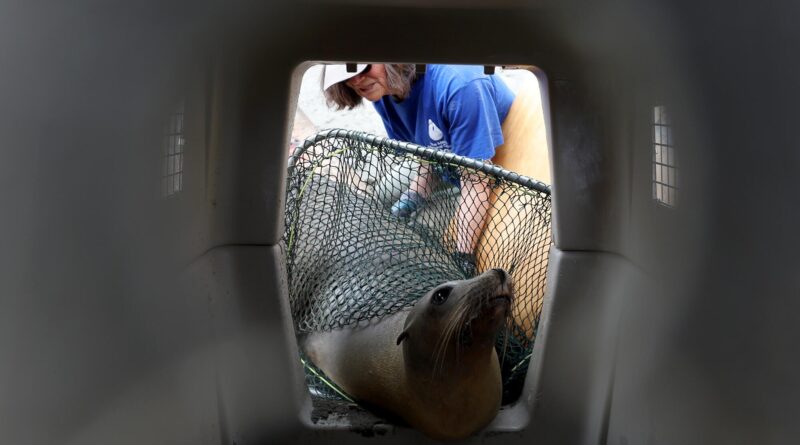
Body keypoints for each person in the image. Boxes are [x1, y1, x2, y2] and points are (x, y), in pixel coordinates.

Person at [322, 63, 517, 275]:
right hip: (450, 163)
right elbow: (426, 153)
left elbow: (476, 181)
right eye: (348, 74)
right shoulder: (384, 91)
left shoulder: (460, 86)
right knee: (385, 194)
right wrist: (410, 201)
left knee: (426, 232)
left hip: (488, 171)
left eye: (364, 68)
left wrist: (463, 258)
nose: (356, 80)